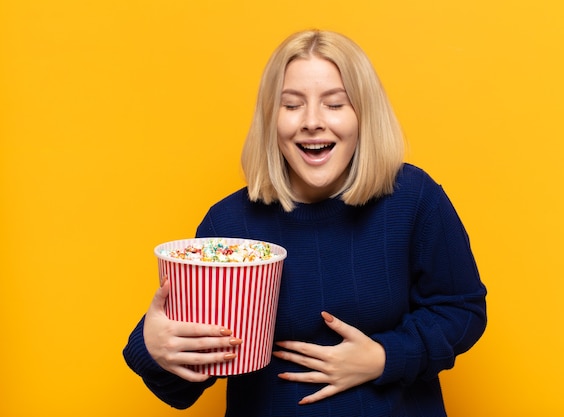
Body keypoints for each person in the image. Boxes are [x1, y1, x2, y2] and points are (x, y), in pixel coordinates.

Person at [123, 29, 487, 417]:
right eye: (292, 105)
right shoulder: (228, 225)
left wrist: (384, 358)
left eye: (335, 104)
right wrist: (153, 346)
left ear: (364, 114)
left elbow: (462, 310)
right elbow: (186, 382)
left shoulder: (414, 199)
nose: (312, 122)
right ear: (271, 118)